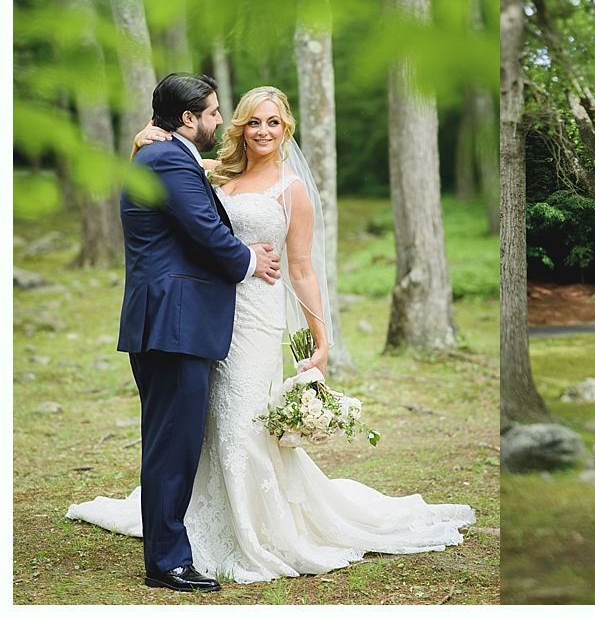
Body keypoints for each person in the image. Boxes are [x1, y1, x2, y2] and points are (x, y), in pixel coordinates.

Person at [68, 84, 475, 586]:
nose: (261, 131)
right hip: (198, 315)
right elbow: (184, 200)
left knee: (238, 423)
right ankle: (187, 536)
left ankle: (247, 529)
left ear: (287, 129)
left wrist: (320, 340)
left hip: (250, 316)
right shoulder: (209, 170)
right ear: (227, 124)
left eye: (273, 123)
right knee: (191, 432)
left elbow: (302, 267)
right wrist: (145, 142)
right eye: (249, 121)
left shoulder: (291, 188)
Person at [104, 72, 283, 592]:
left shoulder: (167, 155)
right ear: (188, 118)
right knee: (172, 445)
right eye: (211, 113)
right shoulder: (165, 159)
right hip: (173, 322)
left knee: (173, 441)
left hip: (173, 322)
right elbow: (206, 231)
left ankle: (167, 546)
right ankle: (167, 562)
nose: (219, 120)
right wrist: (250, 260)